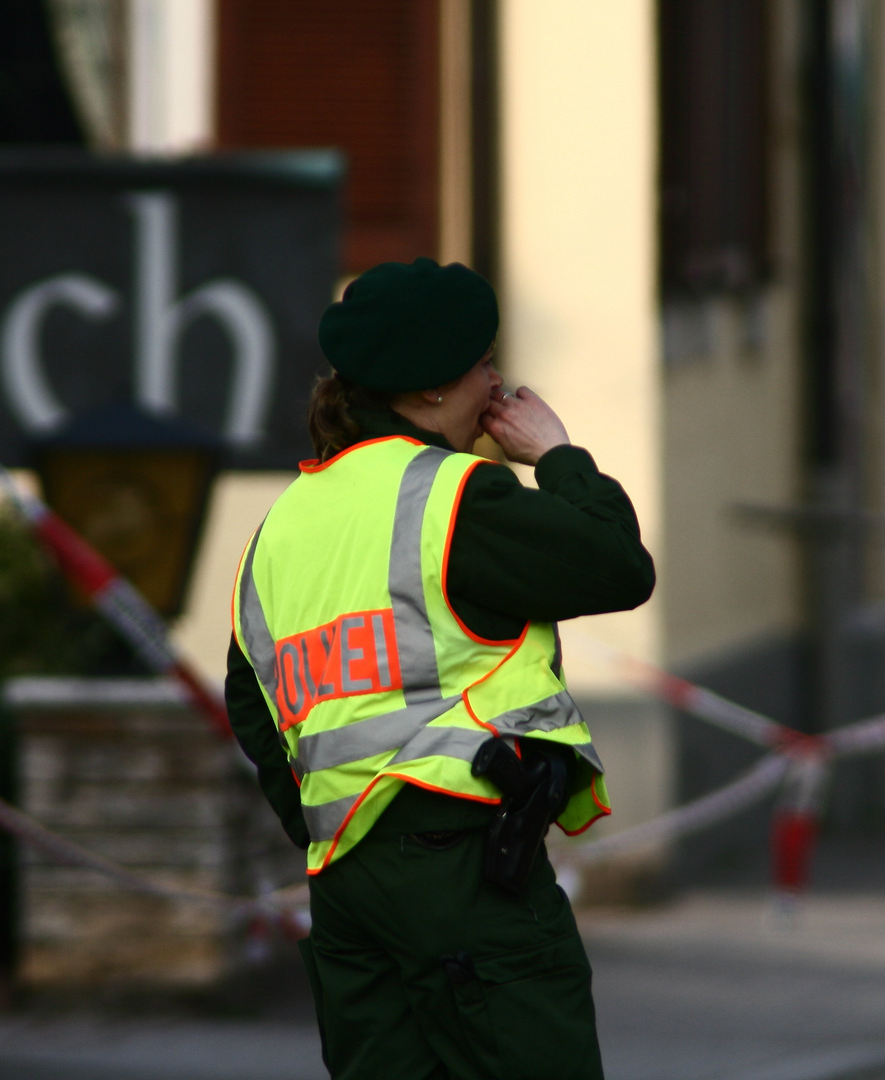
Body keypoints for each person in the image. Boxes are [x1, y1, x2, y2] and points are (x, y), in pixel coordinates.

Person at [226, 258, 654, 1080]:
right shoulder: (455, 498)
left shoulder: (281, 528)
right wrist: (560, 455)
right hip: (464, 867)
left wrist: (329, 822)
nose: (498, 378)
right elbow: (617, 565)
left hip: (348, 884)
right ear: (429, 391)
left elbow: (252, 706)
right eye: (483, 361)